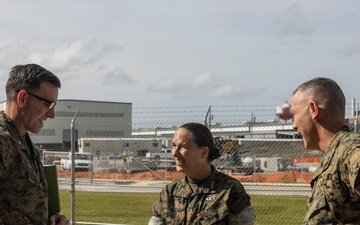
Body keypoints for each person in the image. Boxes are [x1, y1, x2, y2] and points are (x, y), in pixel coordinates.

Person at [0, 64, 69, 225]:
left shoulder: (22, 139)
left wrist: (50, 217)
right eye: (47, 105)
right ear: (22, 98)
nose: (52, 114)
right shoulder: (3, 141)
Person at [148, 122, 256, 225]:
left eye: (182, 147)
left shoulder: (229, 191)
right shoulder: (170, 192)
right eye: (174, 145)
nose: (175, 153)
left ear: (204, 153)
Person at [291, 77, 360, 224]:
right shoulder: (335, 155)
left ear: (313, 109)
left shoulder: (350, 152)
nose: (294, 125)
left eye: (294, 114)